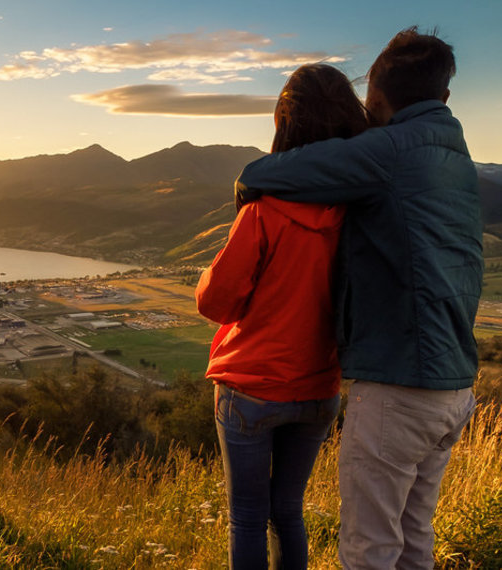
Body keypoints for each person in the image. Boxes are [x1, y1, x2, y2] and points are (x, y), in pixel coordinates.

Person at [234, 27, 480, 569]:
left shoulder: (390, 150)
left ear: (378, 98)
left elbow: (264, 173)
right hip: (454, 385)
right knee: (415, 537)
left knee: (369, 546)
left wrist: (250, 194)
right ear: (444, 97)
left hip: (400, 383)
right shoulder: (454, 155)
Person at [196, 63, 368, 569]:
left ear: (286, 121)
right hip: (319, 388)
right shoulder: (359, 212)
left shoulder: (264, 209)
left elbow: (215, 302)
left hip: (251, 385)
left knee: (247, 517)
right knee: (287, 512)